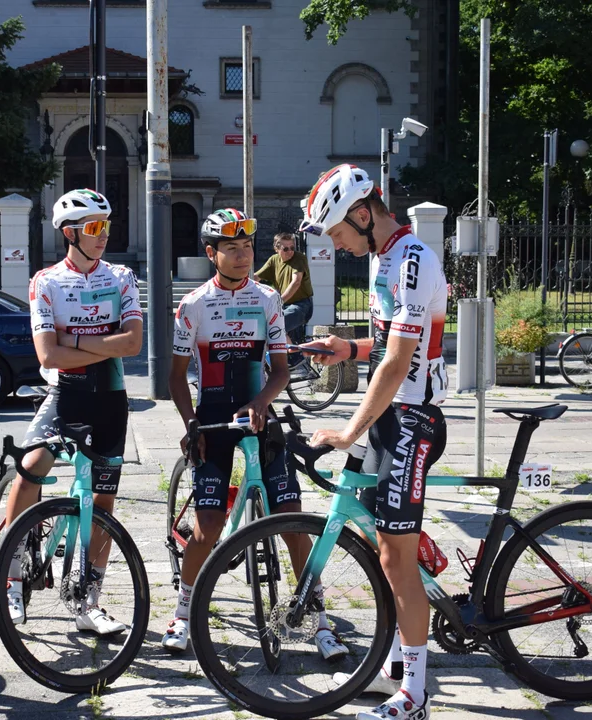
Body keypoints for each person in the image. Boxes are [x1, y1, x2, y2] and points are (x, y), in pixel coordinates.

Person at [160, 208, 348, 662]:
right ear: (212, 254)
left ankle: (319, 620)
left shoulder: (267, 300)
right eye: (232, 249)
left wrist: (261, 402)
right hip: (213, 422)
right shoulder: (194, 305)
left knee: (294, 526)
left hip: (260, 419)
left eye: (247, 248)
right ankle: (183, 612)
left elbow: (281, 370)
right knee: (207, 533)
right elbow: (175, 377)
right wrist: (191, 426)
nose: (243, 256)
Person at [299, 165, 449, 720]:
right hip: (392, 416)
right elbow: (385, 344)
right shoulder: (384, 257)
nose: (336, 244)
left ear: (363, 215)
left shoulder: (411, 260)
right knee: (374, 532)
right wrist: (348, 348)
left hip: (411, 420)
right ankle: (390, 664)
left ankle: (414, 695)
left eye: (338, 232)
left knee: (393, 555)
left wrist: (348, 430)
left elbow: (400, 362)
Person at [3, 188, 143, 634]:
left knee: (102, 501)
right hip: (66, 392)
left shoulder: (121, 276)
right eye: (94, 228)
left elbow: (134, 344)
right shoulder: (45, 281)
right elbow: (47, 356)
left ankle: (88, 600)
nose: (104, 235)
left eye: (107, 225)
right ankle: (10, 574)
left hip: (110, 395)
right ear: (70, 234)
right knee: (30, 467)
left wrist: (75, 343)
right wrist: (102, 345)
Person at [255, 231, 314, 366]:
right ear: (277, 249)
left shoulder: (299, 259)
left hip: (301, 306)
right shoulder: (274, 260)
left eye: (292, 248)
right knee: (263, 325)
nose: (290, 252)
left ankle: (295, 357)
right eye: (285, 248)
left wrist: (279, 302)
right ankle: (279, 364)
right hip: (284, 305)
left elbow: (296, 282)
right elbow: (256, 277)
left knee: (276, 325)